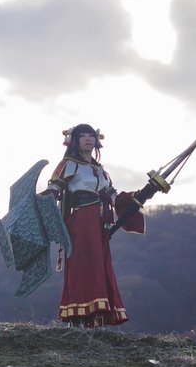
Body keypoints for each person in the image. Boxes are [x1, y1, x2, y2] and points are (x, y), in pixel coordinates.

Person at [43, 123, 144, 327]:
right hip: (80, 221)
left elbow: (113, 196)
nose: (88, 138)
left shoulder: (101, 171)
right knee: (82, 264)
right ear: (74, 141)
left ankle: (95, 318)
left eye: (91, 135)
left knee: (99, 264)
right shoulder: (68, 164)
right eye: (83, 136)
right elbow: (53, 190)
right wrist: (42, 205)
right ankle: (77, 317)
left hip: (100, 223)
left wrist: (138, 195)